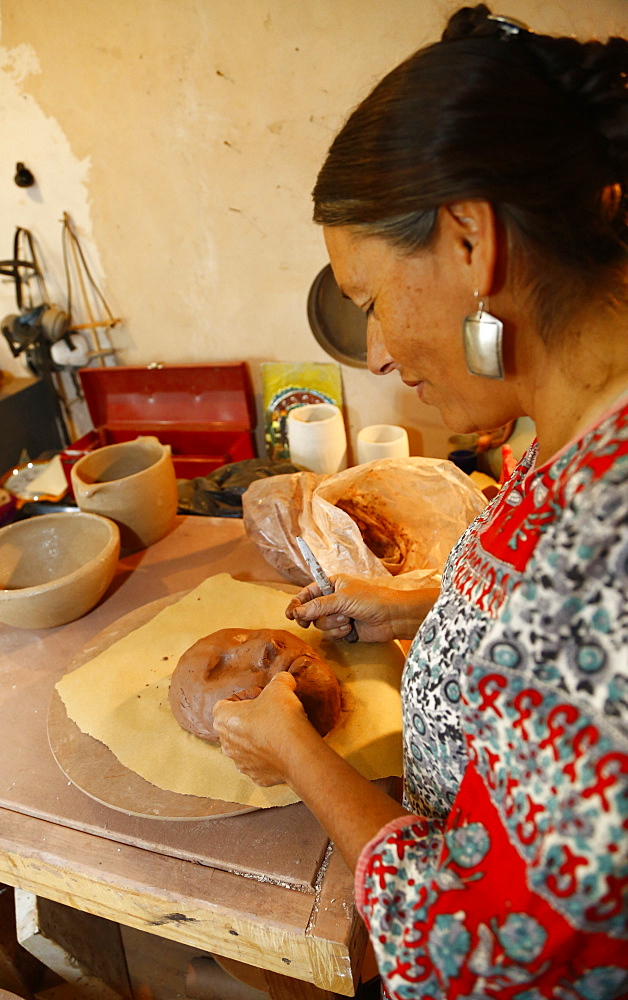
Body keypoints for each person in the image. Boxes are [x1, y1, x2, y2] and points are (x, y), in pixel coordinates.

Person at [213, 5, 628, 997]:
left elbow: (476, 959)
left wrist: (297, 752)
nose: (379, 354)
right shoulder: (568, 422)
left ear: (467, 242)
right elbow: (539, 631)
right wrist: (423, 606)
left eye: (365, 301)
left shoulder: (605, 548)